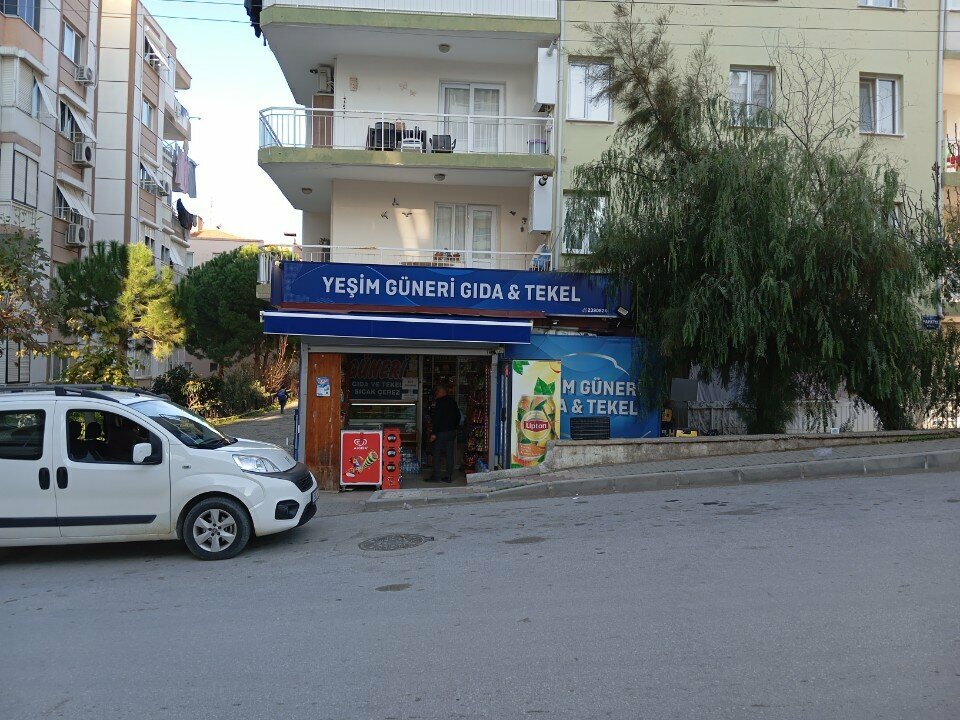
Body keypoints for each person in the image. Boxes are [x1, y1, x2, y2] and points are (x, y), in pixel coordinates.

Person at [428, 385, 460, 484]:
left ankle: (436, 476)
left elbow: (437, 419)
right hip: (451, 432)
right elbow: (458, 416)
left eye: (437, 392)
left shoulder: (440, 403)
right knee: (449, 454)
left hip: (441, 432)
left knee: (436, 453)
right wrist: (454, 427)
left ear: (442, 392)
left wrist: (433, 433)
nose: (436, 394)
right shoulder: (453, 402)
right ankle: (448, 476)